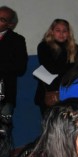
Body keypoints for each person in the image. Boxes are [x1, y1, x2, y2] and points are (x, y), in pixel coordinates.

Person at [35, 19, 78, 115]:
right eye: (58, 30)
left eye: (64, 31)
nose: (61, 34)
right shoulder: (44, 46)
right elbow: (52, 69)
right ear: (52, 31)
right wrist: (65, 52)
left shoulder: (74, 48)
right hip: (50, 91)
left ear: (68, 33)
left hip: (68, 91)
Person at [0, 6, 27, 138]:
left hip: (5, 93)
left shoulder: (17, 40)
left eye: (2, 19)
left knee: (4, 128)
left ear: (11, 24)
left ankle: (4, 156)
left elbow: (20, 68)